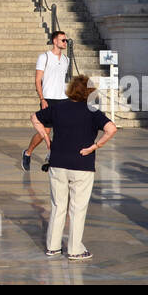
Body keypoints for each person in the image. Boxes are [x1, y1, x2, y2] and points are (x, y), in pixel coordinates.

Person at [31, 75, 116, 259]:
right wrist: (95, 146)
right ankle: (74, 249)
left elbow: (35, 117)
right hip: (82, 164)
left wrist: (47, 139)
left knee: (57, 206)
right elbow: (112, 129)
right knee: (77, 209)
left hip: (58, 163)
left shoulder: (58, 107)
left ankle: (53, 247)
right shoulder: (92, 111)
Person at [23, 31, 72, 171]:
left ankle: (53, 156)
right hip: (48, 98)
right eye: (63, 40)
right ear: (55, 41)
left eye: (66, 40)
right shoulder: (44, 57)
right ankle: (28, 152)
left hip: (62, 99)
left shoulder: (66, 60)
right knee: (45, 131)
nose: (65, 42)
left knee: (61, 131)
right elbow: (38, 80)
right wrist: (42, 98)